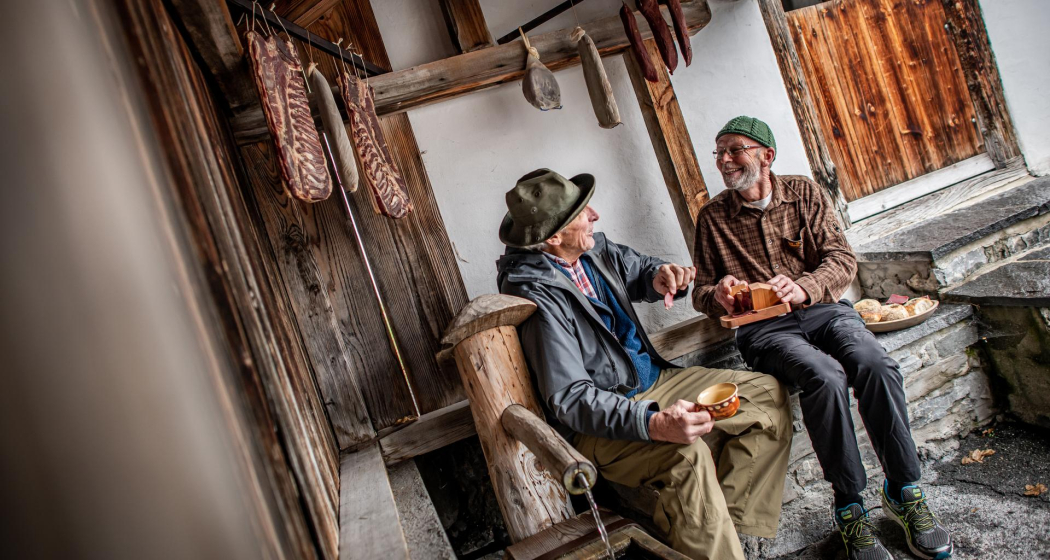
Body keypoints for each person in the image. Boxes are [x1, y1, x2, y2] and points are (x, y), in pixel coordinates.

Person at [496, 168, 793, 560]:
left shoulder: (593, 250)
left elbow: (638, 270)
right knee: (685, 455)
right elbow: (570, 399)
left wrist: (662, 277)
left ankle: (732, 535)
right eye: (583, 213)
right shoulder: (537, 297)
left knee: (767, 396)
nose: (595, 215)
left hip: (654, 380)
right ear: (554, 236)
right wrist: (653, 423)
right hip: (603, 421)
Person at [692, 116, 954, 560]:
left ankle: (904, 490)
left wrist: (806, 287)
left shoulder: (804, 193)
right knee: (825, 375)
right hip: (763, 328)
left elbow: (840, 257)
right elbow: (700, 292)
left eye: (734, 150)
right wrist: (717, 295)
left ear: (766, 156)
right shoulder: (712, 218)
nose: (724, 160)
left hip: (824, 310)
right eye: (719, 152)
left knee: (875, 363)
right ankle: (850, 506)